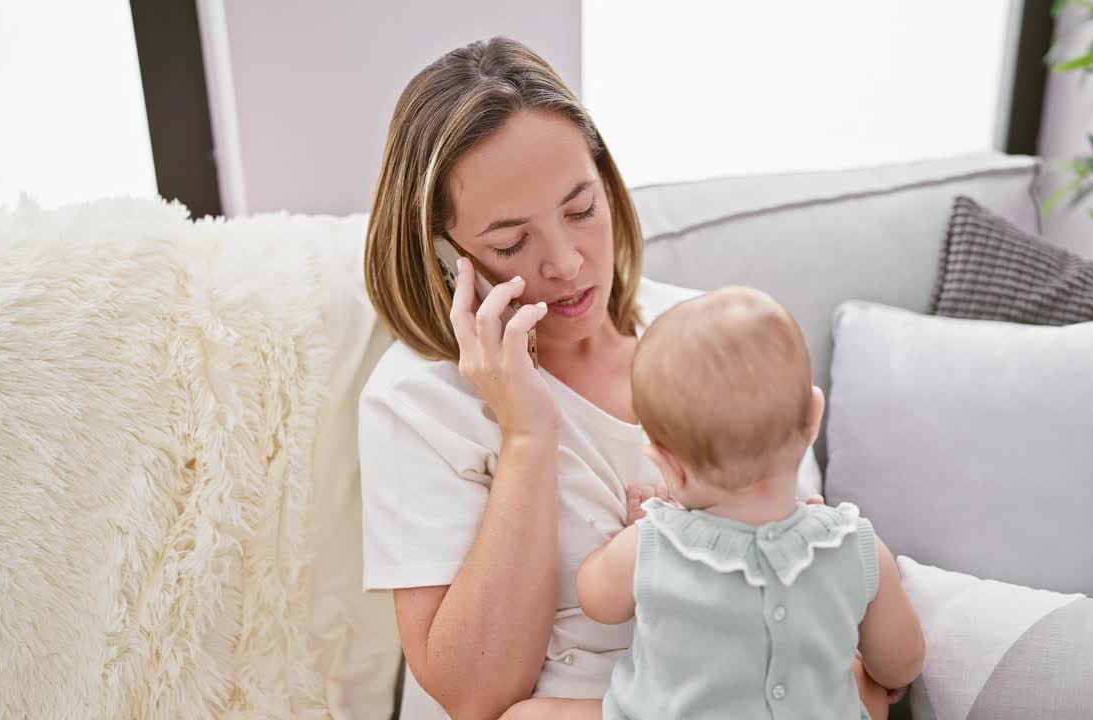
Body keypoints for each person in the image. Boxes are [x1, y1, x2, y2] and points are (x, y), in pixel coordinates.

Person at [358, 37, 886, 720]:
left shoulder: (712, 337)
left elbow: (818, 593)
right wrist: (526, 435)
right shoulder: (416, 401)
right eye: (512, 243)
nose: (569, 264)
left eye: (581, 209)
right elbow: (477, 695)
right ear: (444, 253)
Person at [495, 287, 925, 720]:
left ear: (666, 464)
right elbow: (903, 663)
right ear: (814, 419)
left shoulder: (650, 544)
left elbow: (596, 599)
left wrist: (634, 530)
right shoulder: (857, 546)